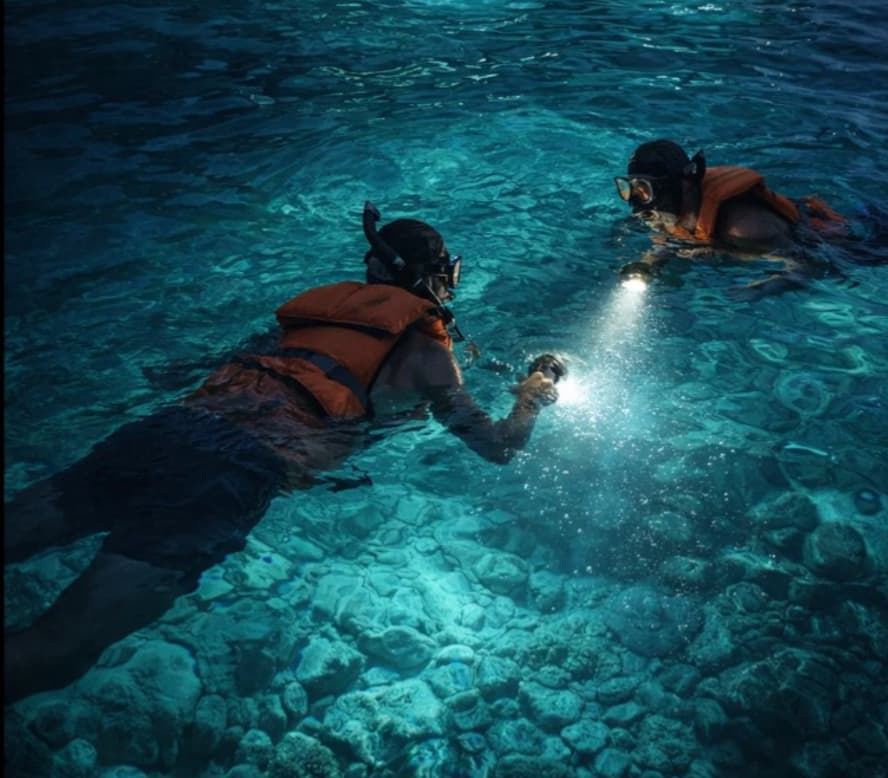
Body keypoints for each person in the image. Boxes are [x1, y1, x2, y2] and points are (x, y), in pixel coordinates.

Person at [4, 205, 564, 704]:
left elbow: (185, 372)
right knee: (58, 649)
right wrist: (533, 394)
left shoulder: (308, 318)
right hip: (231, 472)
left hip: (170, 427)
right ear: (439, 276)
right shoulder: (426, 354)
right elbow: (499, 448)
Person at [615, 138, 847, 282]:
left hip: (850, 248)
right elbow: (673, 240)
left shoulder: (744, 227)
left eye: (645, 190)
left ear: (683, 185)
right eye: (631, 189)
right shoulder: (664, 210)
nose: (637, 202)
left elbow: (811, 263)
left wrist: (759, 286)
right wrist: (648, 264)